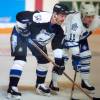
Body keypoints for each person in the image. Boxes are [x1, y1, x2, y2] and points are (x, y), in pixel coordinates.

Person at [7, 3, 70, 100]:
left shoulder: (59, 30)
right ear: (55, 14)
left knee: (44, 61)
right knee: (20, 60)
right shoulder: (43, 17)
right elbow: (20, 16)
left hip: (35, 41)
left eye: (65, 16)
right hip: (20, 36)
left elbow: (57, 46)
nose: (63, 19)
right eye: (62, 16)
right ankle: (12, 87)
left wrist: (58, 62)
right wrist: (23, 29)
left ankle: (40, 85)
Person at [61, 3, 100, 93]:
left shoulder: (96, 20)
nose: (91, 19)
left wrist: (78, 59)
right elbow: (73, 43)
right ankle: (53, 83)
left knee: (86, 56)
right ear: (82, 15)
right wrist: (76, 60)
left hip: (81, 38)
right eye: (88, 17)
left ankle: (85, 81)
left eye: (92, 16)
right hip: (67, 37)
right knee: (62, 60)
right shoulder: (76, 22)